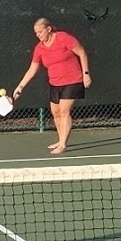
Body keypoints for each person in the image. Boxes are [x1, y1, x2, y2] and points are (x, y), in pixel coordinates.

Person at [11, 17, 91, 155]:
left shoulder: (63, 37)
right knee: (56, 112)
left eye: (40, 32)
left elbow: (82, 52)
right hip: (55, 83)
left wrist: (86, 73)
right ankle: (60, 140)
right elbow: (32, 69)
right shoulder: (39, 48)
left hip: (73, 80)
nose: (38, 35)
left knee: (64, 111)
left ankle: (63, 144)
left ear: (48, 29)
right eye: (36, 33)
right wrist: (20, 87)